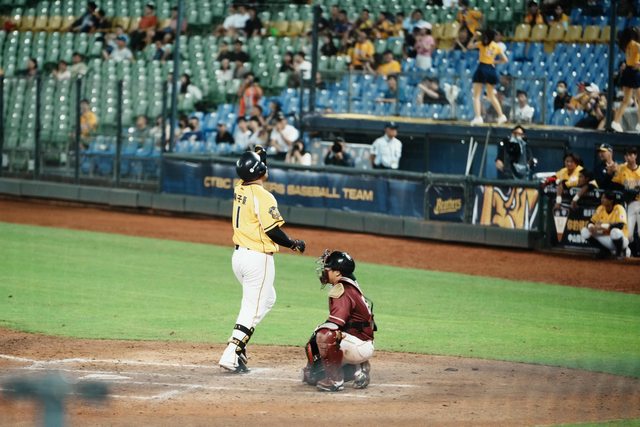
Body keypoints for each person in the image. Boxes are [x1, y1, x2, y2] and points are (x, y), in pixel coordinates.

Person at [218, 147, 306, 373]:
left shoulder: (240, 187)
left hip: (239, 258)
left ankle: (239, 343)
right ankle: (232, 353)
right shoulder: (265, 197)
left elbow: (252, 174)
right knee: (251, 309)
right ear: (260, 171)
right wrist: (293, 243)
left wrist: (260, 158)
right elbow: (273, 231)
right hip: (258, 260)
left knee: (267, 299)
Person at [301, 250, 375, 392]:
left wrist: (316, 340)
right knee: (315, 375)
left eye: (327, 269)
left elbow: (336, 324)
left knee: (325, 334)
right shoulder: (350, 284)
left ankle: (335, 381)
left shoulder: (342, 290)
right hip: (361, 341)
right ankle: (358, 369)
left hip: (358, 345)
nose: (324, 272)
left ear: (337, 273)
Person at [469, 29, 508, 125]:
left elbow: (469, 46)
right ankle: (501, 115)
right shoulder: (496, 46)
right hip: (491, 69)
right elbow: (505, 60)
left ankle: (478, 117)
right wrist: (494, 62)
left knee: (476, 96)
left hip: (482, 68)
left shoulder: (481, 44)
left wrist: (474, 37)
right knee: (491, 95)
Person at [580, 191, 630, 259]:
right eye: (602, 198)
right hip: (606, 236)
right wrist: (591, 227)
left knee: (615, 231)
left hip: (621, 239)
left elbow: (620, 225)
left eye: (604, 198)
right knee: (585, 231)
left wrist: (602, 226)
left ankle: (620, 252)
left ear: (611, 200)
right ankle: (605, 251)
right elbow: (591, 222)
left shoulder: (619, 208)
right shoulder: (600, 208)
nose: (602, 199)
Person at [611, 27, 640, 133]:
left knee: (626, 100)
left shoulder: (626, 45)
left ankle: (616, 121)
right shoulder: (635, 44)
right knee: (638, 99)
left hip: (627, 71)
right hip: (634, 72)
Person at [612, 147, 640, 255]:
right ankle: (630, 251)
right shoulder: (621, 169)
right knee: (629, 231)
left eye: (631, 155)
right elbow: (614, 184)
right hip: (627, 203)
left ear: (635, 156)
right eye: (626, 155)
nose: (628, 157)